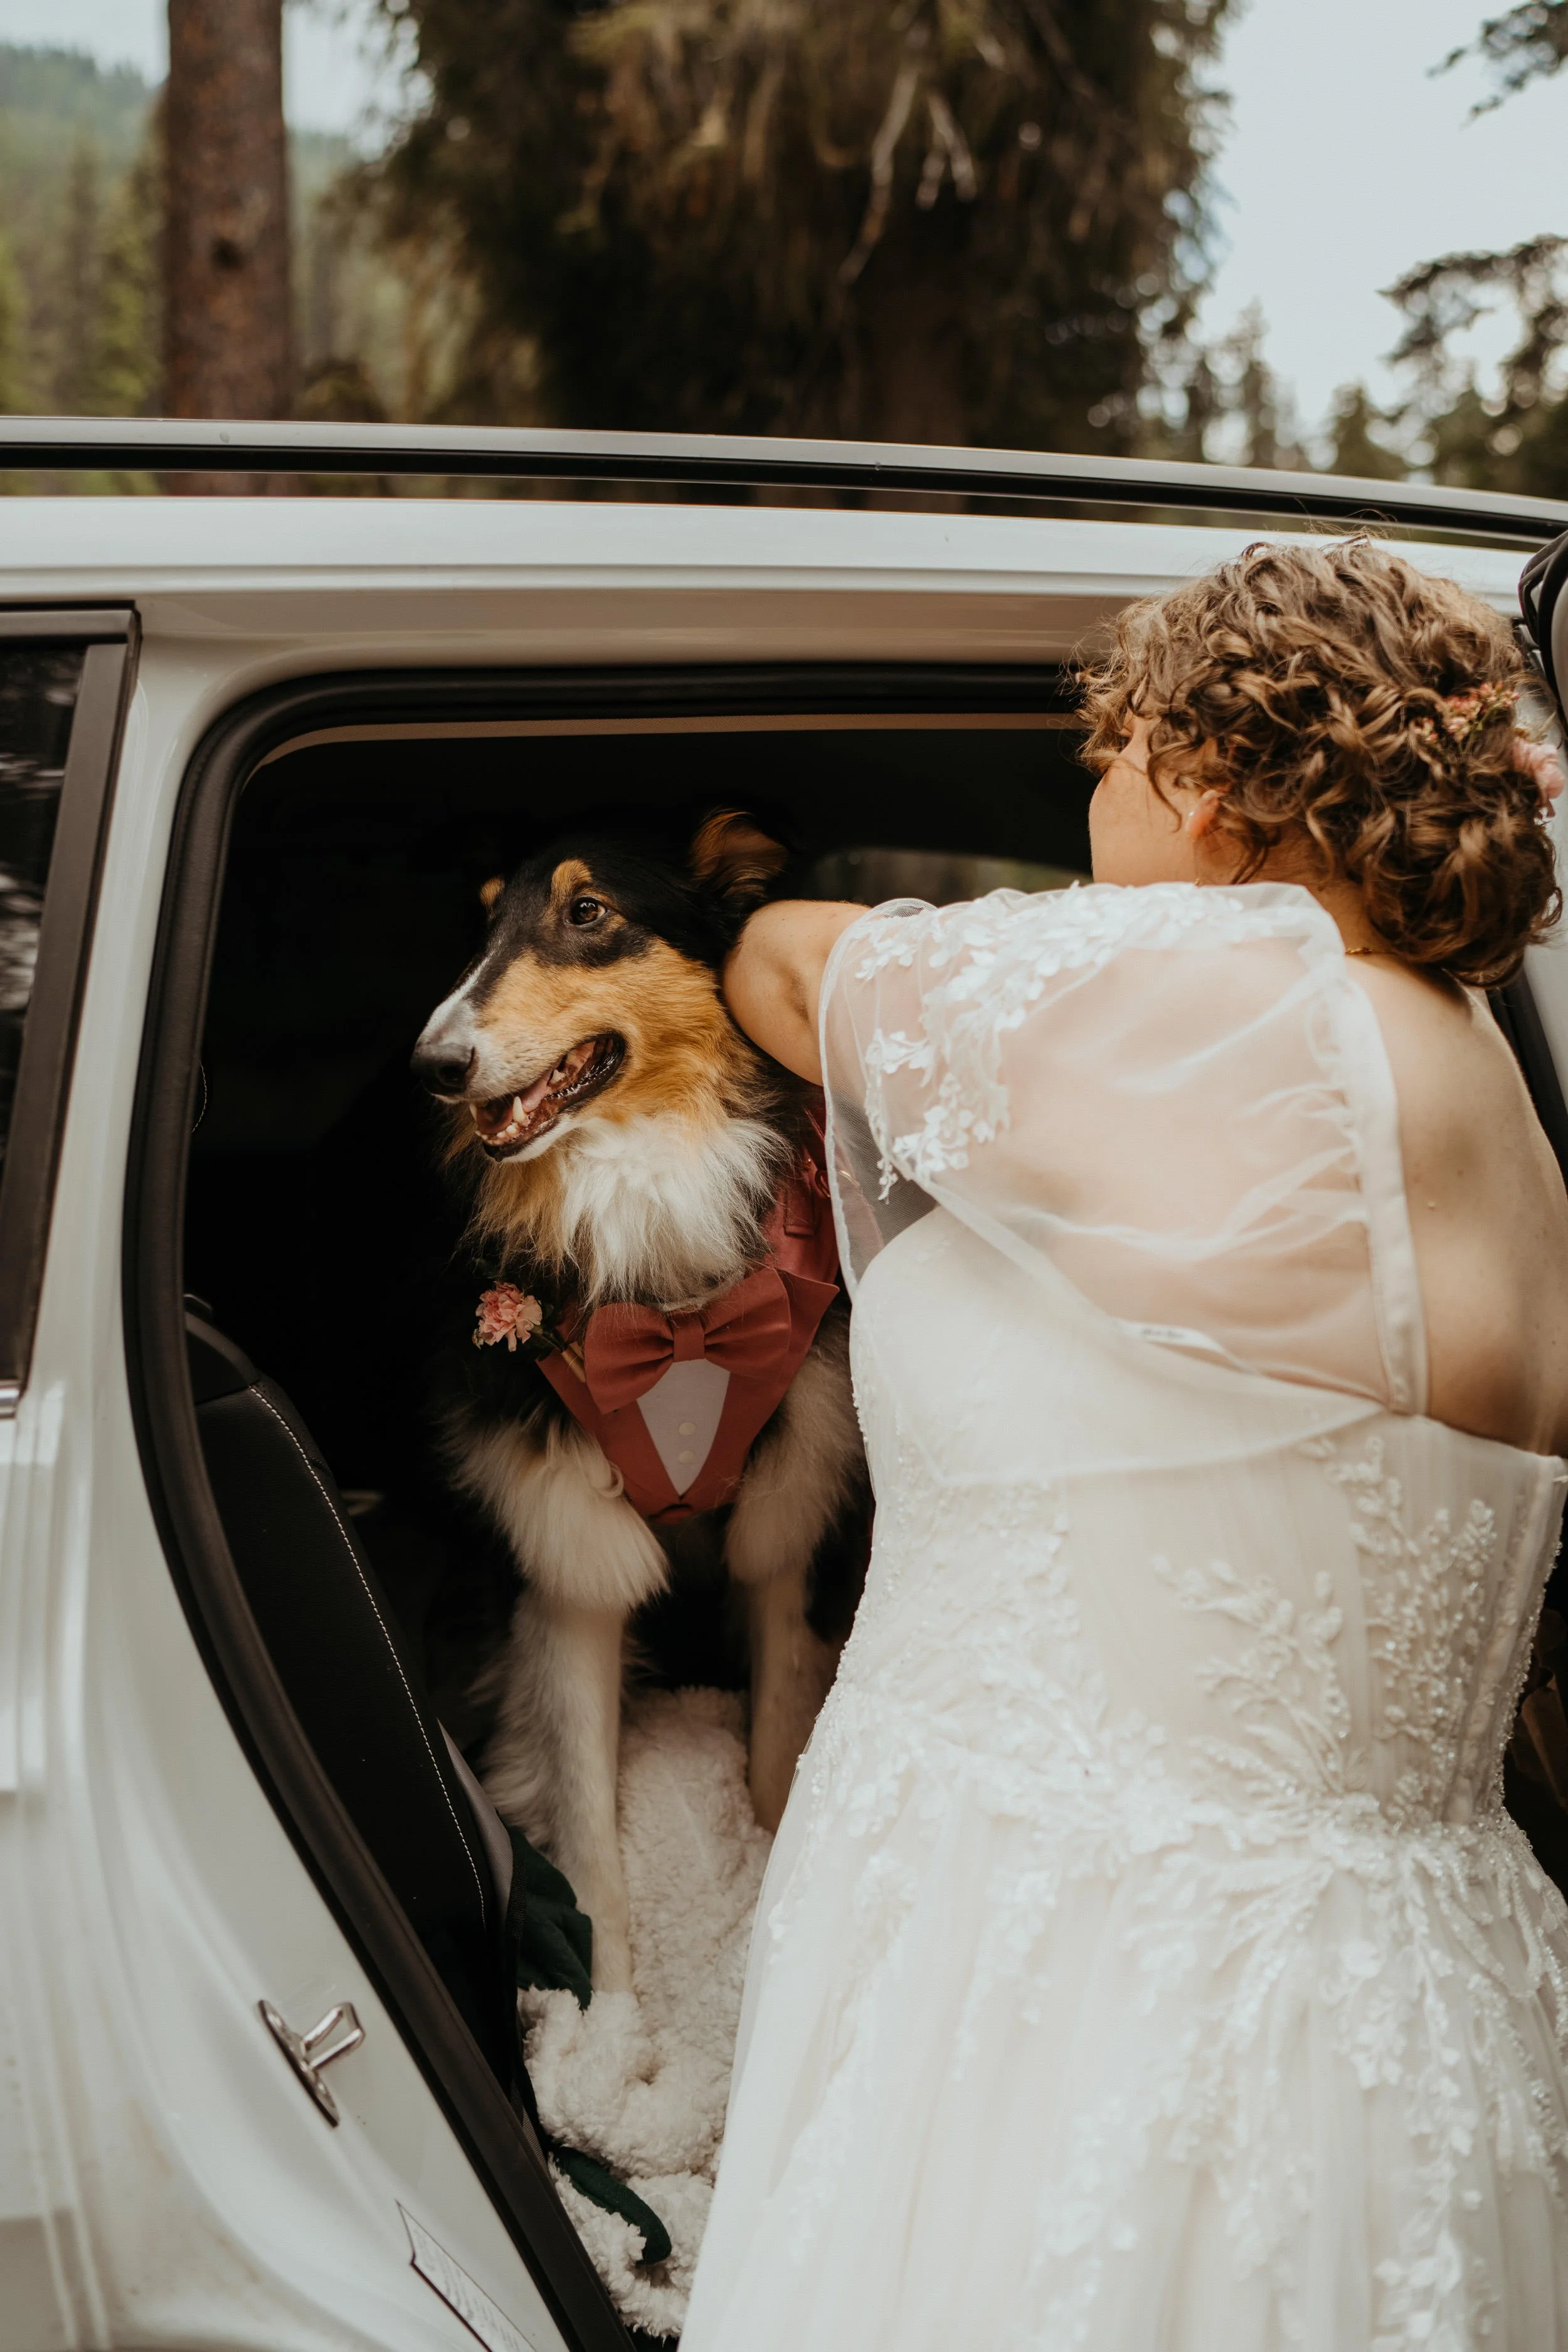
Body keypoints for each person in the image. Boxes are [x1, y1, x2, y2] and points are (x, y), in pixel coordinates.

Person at [681, 538, 1568, 2351]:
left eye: (1109, 750)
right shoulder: (1493, 1098)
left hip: (1089, 2004)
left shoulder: (1225, 1014)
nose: (1086, 790)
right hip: (1395, 2000)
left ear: (1221, 781)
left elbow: (782, 969)